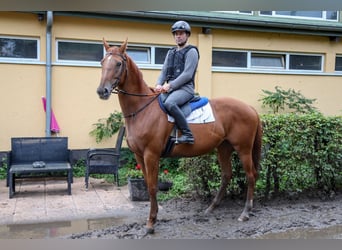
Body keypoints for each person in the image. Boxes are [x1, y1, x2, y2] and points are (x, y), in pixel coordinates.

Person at [155, 20, 199, 144]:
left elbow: (187, 74)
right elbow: (164, 71)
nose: (178, 36)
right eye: (176, 34)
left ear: (187, 35)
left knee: (170, 103)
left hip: (185, 89)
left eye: (181, 33)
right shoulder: (171, 52)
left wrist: (170, 85)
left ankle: (187, 134)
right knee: (155, 102)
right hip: (171, 88)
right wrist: (158, 84)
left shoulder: (192, 52)